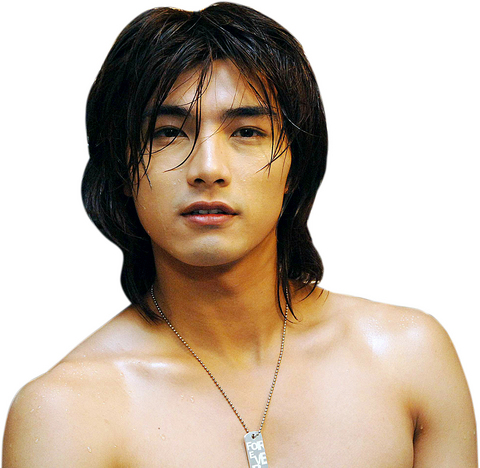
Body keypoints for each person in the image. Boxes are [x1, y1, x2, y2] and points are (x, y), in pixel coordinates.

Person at [3, 3, 477, 467]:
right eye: (167, 133)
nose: (208, 169)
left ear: (295, 165)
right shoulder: (66, 415)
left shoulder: (409, 358)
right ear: (122, 169)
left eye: (247, 131)